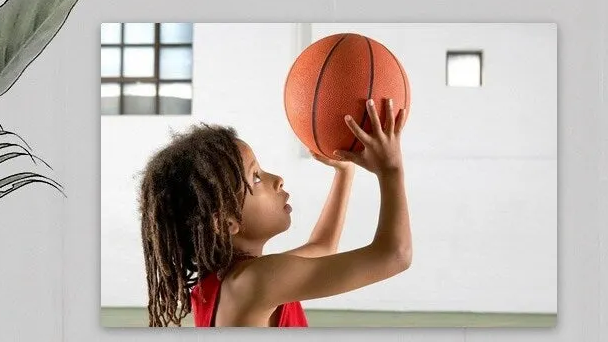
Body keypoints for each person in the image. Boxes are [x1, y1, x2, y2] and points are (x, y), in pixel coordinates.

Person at [139, 97, 411, 327]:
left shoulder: (223, 282)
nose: (277, 179)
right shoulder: (260, 279)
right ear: (226, 221)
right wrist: (391, 170)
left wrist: (345, 171)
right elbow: (395, 256)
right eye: (255, 177)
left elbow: (323, 246)